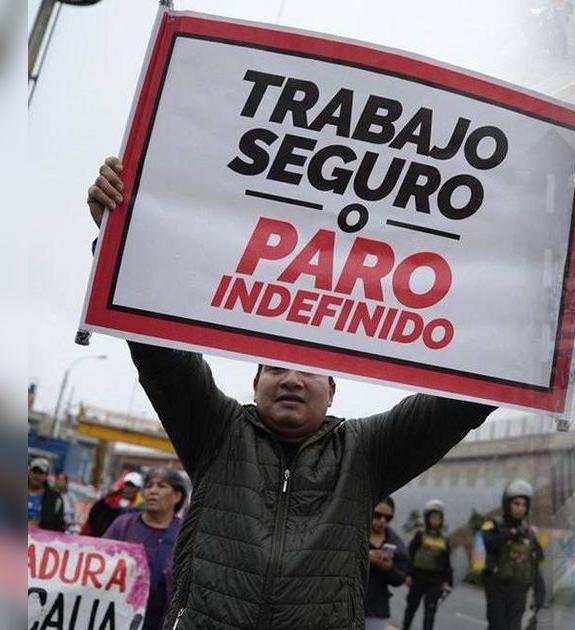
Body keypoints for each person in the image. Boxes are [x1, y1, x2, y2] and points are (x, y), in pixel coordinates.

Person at [83, 156, 498, 629]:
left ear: (333, 390)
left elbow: (458, 402)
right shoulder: (216, 430)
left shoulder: (365, 452)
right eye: (276, 366)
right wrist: (119, 239)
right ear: (254, 383)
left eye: (311, 371)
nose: (293, 379)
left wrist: (550, 325)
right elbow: (160, 352)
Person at [103, 468, 188, 630]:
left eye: (161, 486)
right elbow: (98, 562)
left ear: (177, 496)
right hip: (116, 617)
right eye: (149, 486)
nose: (152, 491)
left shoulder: (184, 534)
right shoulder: (123, 525)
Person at [479, 480, 545, 630]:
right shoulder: (493, 524)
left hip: (519, 591)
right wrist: (511, 533)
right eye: (516, 503)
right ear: (507, 504)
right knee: (498, 626)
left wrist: (540, 594)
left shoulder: (529, 532)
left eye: (524, 504)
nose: (520, 508)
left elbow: (534, 564)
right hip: (497, 588)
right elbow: (490, 545)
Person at [404, 500, 453, 630]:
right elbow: (410, 555)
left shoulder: (444, 540)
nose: (435, 521)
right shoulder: (419, 536)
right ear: (427, 518)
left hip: (435, 581)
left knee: (430, 612)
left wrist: (448, 582)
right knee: (411, 608)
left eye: (438, 518)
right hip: (418, 577)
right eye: (433, 517)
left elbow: (447, 563)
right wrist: (408, 574)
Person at [364, 497, 410, 630]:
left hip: (377, 609)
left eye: (387, 517)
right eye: (377, 515)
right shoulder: (354, 534)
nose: (382, 520)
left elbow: (400, 578)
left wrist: (389, 568)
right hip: (348, 604)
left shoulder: (396, 544)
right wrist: (365, 557)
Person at [81, 471, 143, 537]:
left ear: (138, 489)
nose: (128, 489)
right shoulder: (105, 503)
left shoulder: (138, 510)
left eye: (132, 486)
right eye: (127, 485)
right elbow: (90, 524)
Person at [27, 458, 67, 532]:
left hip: (39, 541)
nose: (37, 476)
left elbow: (59, 528)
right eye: (35, 471)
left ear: (46, 476)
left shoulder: (55, 499)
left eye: (41, 472)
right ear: (29, 472)